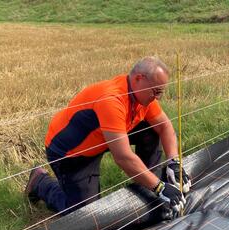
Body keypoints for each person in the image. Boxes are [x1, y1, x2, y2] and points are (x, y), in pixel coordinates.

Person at [25, 57, 191, 216]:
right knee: (86, 214)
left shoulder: (142, 96)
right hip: (71, 153)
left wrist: (173, 162)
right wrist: (159, 187)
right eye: (156, 92)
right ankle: (40, 182)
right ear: (139, 79)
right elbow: (123, 157)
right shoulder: (112, 100)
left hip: (103, 138)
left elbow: (164, 126)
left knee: (150, 128)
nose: (158, 97)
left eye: (160, 92)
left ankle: (149, 179)